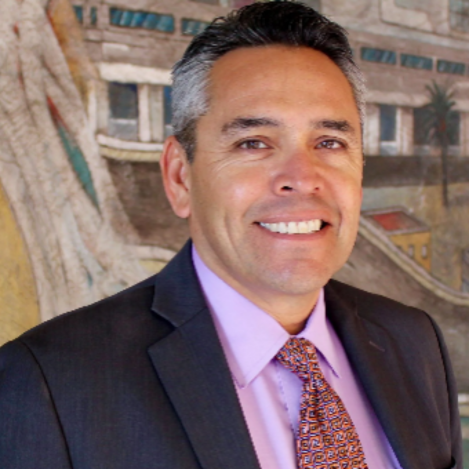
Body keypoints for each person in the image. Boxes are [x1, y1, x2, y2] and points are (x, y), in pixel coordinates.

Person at [0, 2, 462, 469]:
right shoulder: (50, 383)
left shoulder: (413, 342)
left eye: (329, 142)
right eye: (253, 143)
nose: (302, 178)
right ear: (180, 177)